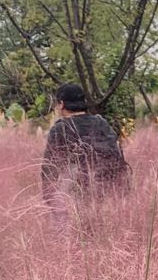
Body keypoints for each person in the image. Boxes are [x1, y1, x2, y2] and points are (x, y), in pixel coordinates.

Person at [40, 84, 131, 219]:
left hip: (77, 197)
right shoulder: (101, 123)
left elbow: (50, 169)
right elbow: (118, 154)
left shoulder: (60, 129)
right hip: (110, 193)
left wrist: (50, 199)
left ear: (61, 104)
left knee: (69, 235)